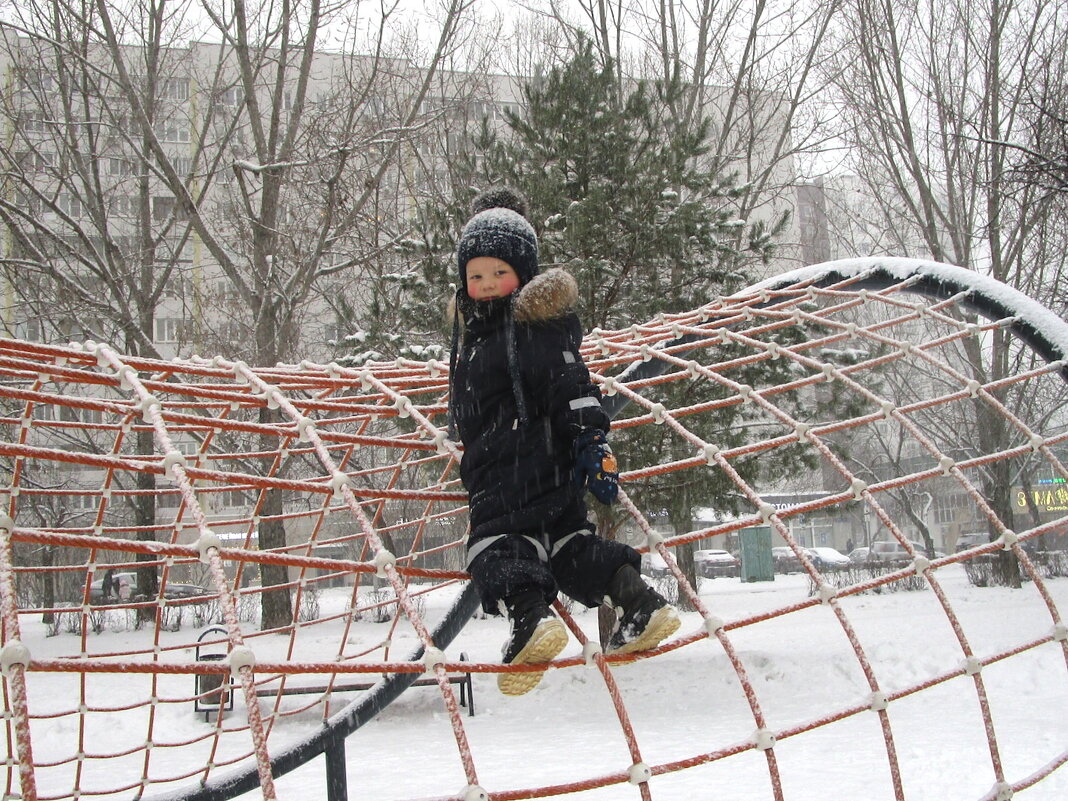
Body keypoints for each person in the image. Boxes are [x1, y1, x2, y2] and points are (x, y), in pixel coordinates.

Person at [447, 187, 680, 696]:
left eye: (499, 274)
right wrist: (581, 447)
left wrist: (593, 443)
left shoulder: (533, 331)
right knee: (570, 550)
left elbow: (573, 391)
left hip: (504, 478)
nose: (487, 285)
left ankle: (531, 621)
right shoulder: (477, 339)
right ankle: (637, 601)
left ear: (523, 276)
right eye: (476, 276)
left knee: (496, 552)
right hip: (551, 478)